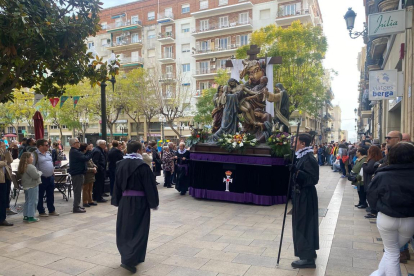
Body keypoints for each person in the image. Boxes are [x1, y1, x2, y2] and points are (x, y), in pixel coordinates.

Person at [111, 141, 159, 273]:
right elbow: (150, 186)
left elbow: (117, 185)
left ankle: (129, 256)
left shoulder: (120, 164)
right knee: (139, 230)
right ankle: (129, 259)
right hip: (140, 202)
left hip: (125, 202)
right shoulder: (143, 166)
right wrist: (153, 202)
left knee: (125, 229)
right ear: (138, 151)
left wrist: (117, 200)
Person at [367, 142, 414, 276]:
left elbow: (371, 195)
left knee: (391, 252)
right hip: (409, 219)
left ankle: (379, 273)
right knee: (392, 251)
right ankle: (378, 273)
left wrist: (377, 209)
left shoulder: (382, 174)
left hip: (386, 217)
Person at [290, 133, 319, 268]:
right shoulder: (301, 156)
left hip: (305, 196)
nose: (293, 143)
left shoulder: (308, 158)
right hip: (300, 195)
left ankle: (307, 258)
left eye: (295, 141)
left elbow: (313, 179)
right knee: (303, 223)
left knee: (303, 225)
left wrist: (297, 172)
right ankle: (309, 251)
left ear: (302, 144)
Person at [34, 139, 59, 217]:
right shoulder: (35, 154)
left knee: (50, 194)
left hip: (50, 177)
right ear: (40, 146)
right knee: (40, 195)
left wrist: (52, 171)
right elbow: (32, 166)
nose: (48, 146)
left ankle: (51, 210)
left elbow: (51, 163)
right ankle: (41, 211)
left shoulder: (48, 153)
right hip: (41, 177)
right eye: (46, 145)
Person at [68, 138, 93, 213]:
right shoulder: (74, 152)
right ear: (74, 144)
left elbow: (83, 156)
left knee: (79, 191)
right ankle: (76, 207)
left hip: (79, 173)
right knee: (77, 191)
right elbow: (85, 158)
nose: (79, 143)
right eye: (78, 142)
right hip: (77, 174)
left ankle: (77, 206)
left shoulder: (76, 151)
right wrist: (89, 151)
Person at [18, 152, 42, 223]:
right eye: (31, 157)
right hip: (32, 186)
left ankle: (26, 216)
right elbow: (36, 176)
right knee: (33, 201)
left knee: (27, 201)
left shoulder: (22, 167)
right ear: (27, 159)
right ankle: (31, 217)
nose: (33, 158)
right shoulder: (30, 167)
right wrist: (40, 172)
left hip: (26, 186)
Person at [79, 143, 97, 208]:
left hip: (91, 175)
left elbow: (92, 162)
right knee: (85, 189)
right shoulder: (83, 155)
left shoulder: (88, 154)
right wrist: (93, 169)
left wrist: (95, 167)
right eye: (88, 147)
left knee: (90, 188)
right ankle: (85, 201)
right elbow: (85, 167)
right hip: (87, 175)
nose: (90, 148)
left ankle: (90, 200)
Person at [0, 141, 13, 226]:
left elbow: (10, 160)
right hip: (1, 179)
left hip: (5, 178)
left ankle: (2, 218)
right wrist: (4, 162)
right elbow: (4, 162)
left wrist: (7, 151)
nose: (4, 146)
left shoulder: (4, 152)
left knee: (3, 199)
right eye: (2, 145)